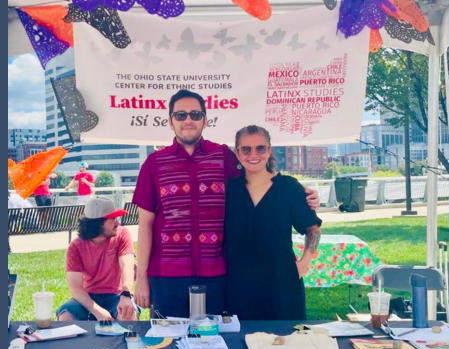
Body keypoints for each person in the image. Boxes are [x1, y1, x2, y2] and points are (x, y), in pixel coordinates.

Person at [132, 90, 320, 318]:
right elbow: (145, 225)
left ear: (205, 119)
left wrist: (305, 196)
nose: (188, 120)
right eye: (180, 115)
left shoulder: (222, 156)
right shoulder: (154, 164)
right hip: (167, 277)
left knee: (216, 340)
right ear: (170, 121)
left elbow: (256, 173)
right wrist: (141, 279)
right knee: (170, 342)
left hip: (217, 276)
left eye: (195, 114)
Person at [224, 125, 323, 320]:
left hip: (282, 284)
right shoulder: (229, 190)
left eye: (260, 148)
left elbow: (313, 228)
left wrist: (303, 264)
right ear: (237, 153)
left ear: (269, 150)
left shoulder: (288, 187)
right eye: (246, 149)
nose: (253, 154)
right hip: (238, 286)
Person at [56, 196, 140, 322]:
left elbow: (127, 266)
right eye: (112, 220)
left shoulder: (122, 234)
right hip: (88, 297)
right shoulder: (75, 247)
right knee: (65, 317)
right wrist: (98, 312)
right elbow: (76, 289)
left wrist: (126, 294)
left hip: (117, 295)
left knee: (128, 317)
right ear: (98, 224)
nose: (117, 223)